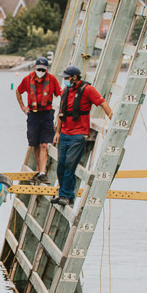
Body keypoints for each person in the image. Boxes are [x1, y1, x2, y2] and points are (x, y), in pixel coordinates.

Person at [51, 65, 113, 206]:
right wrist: (57, 132)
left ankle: (65, 195)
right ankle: (66, 194)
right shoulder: (65, 91)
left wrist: (113, 120)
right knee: (61, 166)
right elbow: (61, 114)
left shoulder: (88, 90)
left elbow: (103, 103)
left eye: (67, 77)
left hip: (78, 135)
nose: (65, 80)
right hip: (64, 134)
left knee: (70, 165)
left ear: (74, 77)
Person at [15, 57, 62, 185]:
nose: (40, 72)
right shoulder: (27, 79)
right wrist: (23, 107)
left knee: (44, 144)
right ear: (35, 68)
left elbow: (60, 94)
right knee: (34, 143)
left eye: (43, 70)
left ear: (47, 70)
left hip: (47, 115)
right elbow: (18, 91)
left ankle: (42, 172)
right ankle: (39, 170)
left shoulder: (52, 79)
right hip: (33, 115)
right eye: (39, 69)